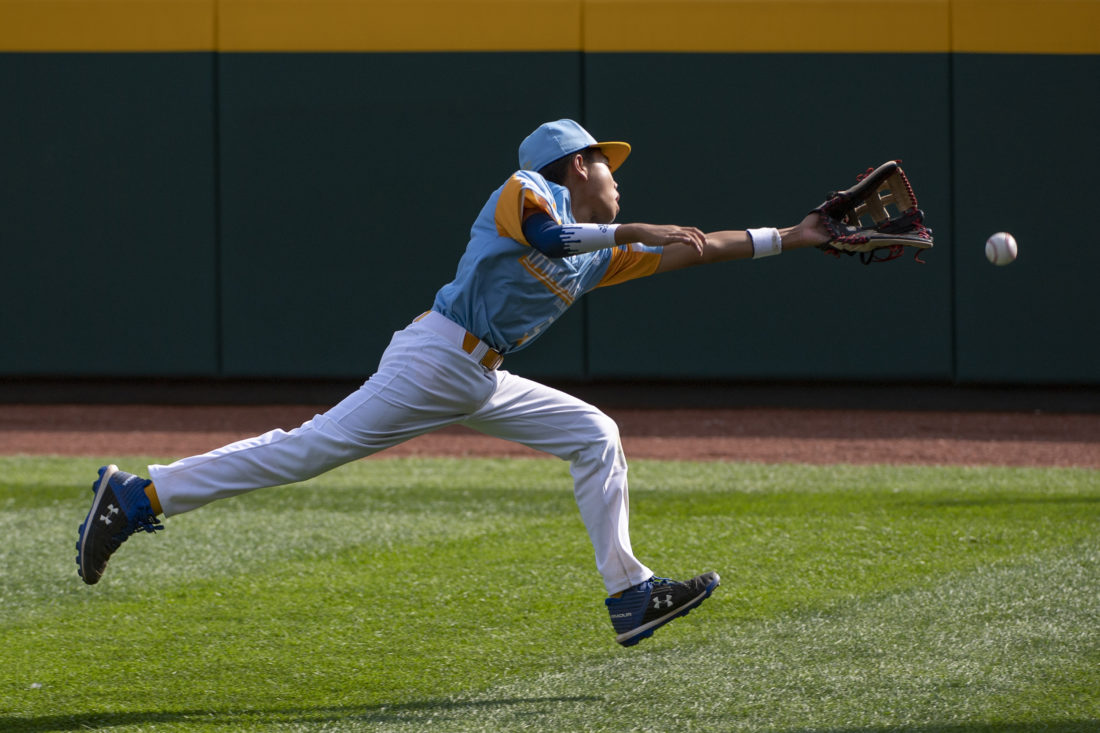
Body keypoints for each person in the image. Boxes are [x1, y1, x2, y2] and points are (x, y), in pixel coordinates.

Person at [76, 119, 830, 647]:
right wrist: (632, 231)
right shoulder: (526, 189)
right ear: (577, 165)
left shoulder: (601, 255)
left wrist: (792, 238)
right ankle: (139, 495)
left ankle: (630, 594)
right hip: (434, 360)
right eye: (609, 165)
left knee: (595, 434)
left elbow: (699, 249)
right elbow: (546, 237)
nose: (618, 180)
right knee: (304, 451)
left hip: (480, 376)